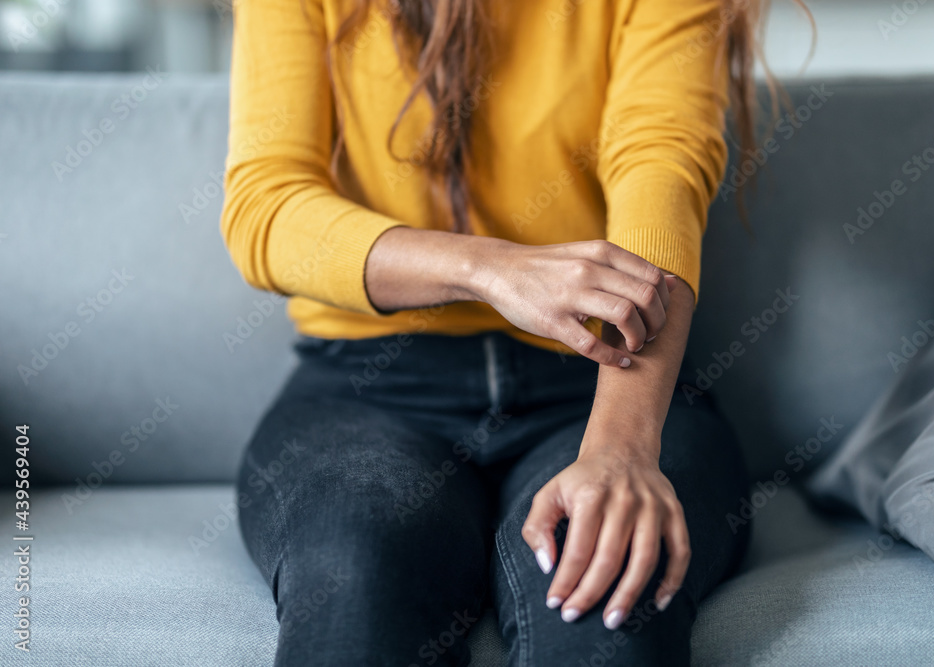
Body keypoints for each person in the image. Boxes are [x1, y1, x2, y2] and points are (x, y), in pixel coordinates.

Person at [220, 0, 783, 664]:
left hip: (605, 384)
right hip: (366, 386)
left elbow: (661, 166)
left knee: (606, 601)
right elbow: (266, 203)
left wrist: (621, 448)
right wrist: (489, 269)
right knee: (355, 573)